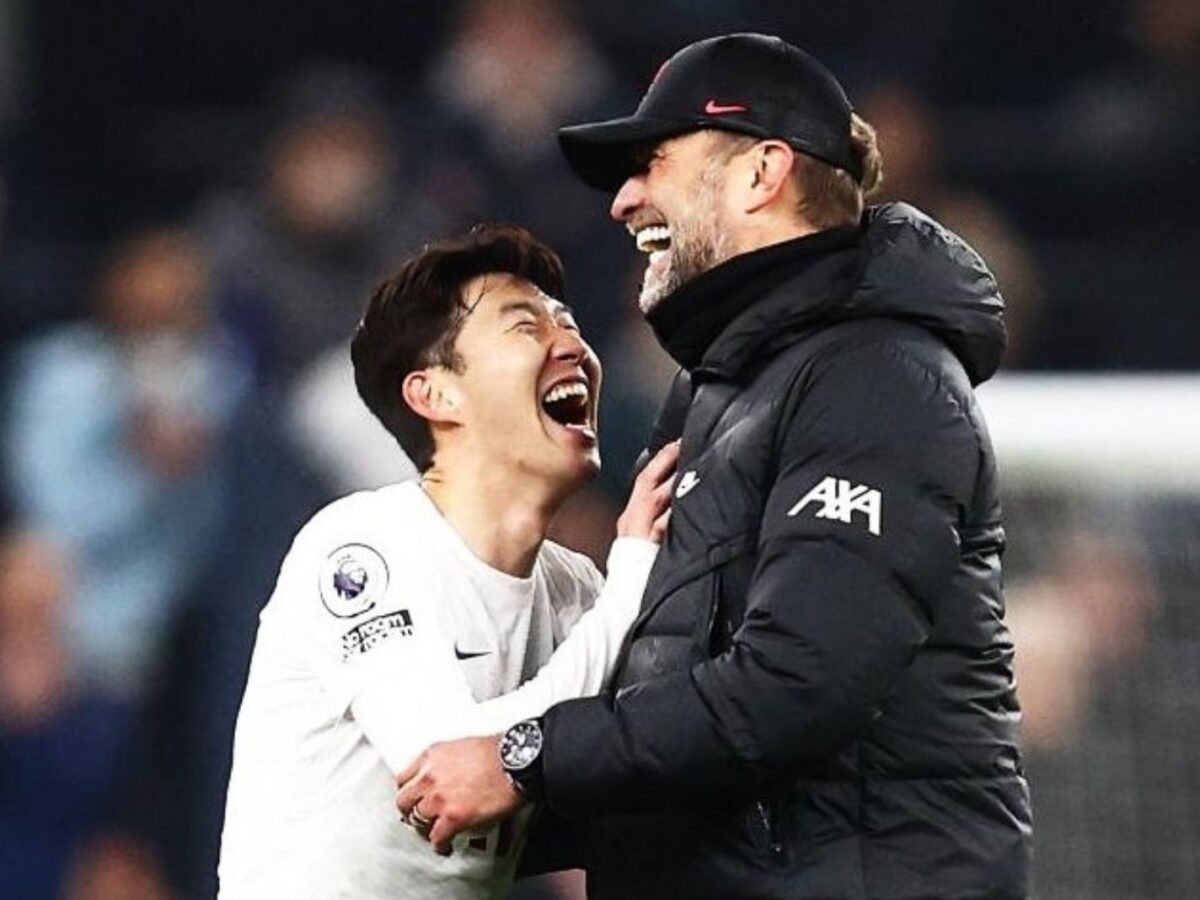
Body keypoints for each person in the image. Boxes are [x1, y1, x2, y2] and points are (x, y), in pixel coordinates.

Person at [396, 33, 1033, 900]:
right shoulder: (719, 387)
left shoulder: (876, 377)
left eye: (651, 162)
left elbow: (800, 683)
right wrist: (429, 807)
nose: (623, 200)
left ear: (761, 173)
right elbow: (687, 729)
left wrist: (526, 761)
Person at [216, 224, 678, 898]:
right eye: (525, 327)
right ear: (434, 394)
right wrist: (634, 568)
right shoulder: (362, 544)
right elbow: (452, 767)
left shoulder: (578, 590)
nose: (573, 346)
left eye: (569, 323)